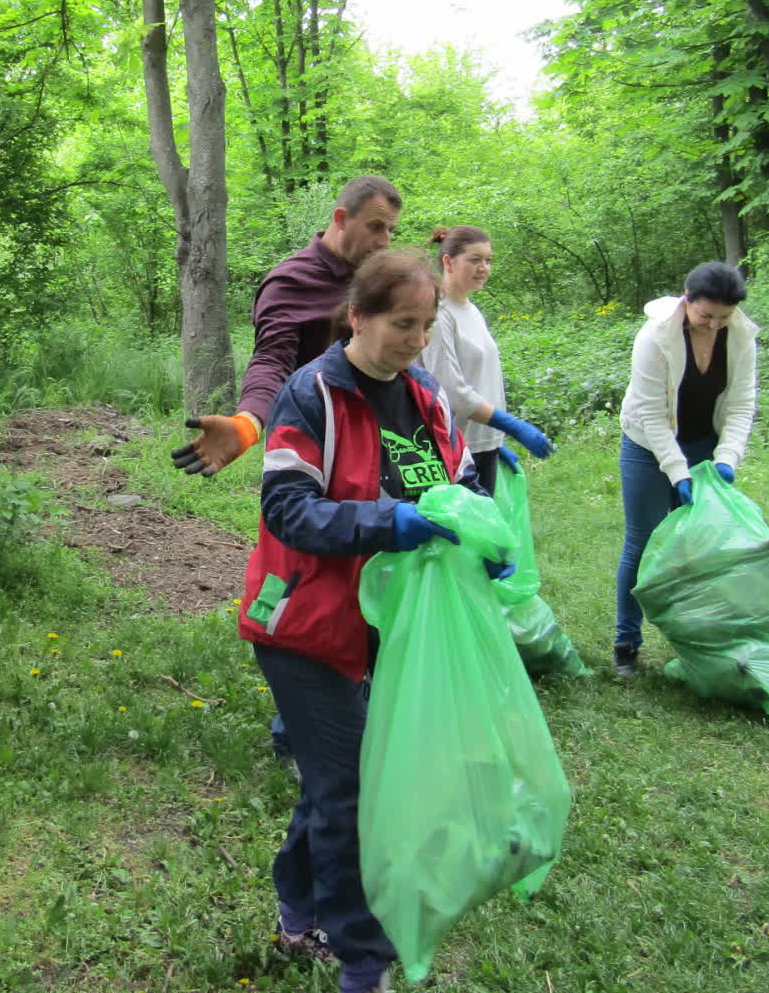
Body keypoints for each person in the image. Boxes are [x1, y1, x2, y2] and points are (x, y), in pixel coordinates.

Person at [238, 250, 484, 993]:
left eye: (426, 324)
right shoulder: (311, 395)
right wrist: (387, 521)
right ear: (357, 317)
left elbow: (462, 480)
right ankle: (363, 960)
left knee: (334, 781)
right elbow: (288, 508)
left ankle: (295, 911)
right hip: (306, 625)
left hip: (391, 625)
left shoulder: (426, 394)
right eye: (402, 324)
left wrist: (486, 538)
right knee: (355, 795)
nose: (417, 339)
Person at [171, 174, 402, 478]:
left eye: (390, 230)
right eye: (375, 227)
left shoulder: (376, 280)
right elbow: (272, 359)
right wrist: (248, 422)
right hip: (314, 449)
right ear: (341, 218)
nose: (385, 241)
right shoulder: (292, 281)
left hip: (385, 443)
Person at [611, 261, 759, 678]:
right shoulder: (654, 336)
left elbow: (742, 404)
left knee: (701, 547)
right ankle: (626, 642)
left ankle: (699, 646)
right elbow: (650, 413)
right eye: (705, 315)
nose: (713, 325)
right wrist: (677, 472)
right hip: (646, 443)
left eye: (723, 317)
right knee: (642, 541)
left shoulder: (741, 337)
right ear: (687, 299)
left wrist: (726, 458)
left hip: (704, 444)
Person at [417, 225, 555, 493]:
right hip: (454, 449)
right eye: (475, 260)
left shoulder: (471, 310)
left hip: (483, 442)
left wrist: (494, 438)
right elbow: (450, 391)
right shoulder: (439, 316)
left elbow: (481, 378)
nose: (484, 268)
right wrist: (511, 425)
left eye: (488, 260)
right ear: (449, 262)